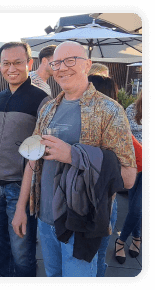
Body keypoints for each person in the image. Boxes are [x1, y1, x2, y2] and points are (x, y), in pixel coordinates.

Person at [12, 41, 137, 277]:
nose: (62, 68)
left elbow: (128, 178)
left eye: (71, 61)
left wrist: (73, 155)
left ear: (88, 65)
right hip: (46, 219)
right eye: (57, 63)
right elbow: (32, 159)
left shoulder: (109, 110)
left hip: (81, 222)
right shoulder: (48, 108)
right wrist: (20, 208)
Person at [0, 42, 52, 277]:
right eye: (6, 63)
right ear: (0, 66)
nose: (11, 68)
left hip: (19, 187)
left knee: (22, 249)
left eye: (17, 62)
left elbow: (42, 150)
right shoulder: (1, 98)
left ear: (29, 64)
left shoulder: (41, 99)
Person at [87, 74, 119, 277]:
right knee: (97, 254)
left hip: (101, 201)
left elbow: (137, 158)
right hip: (106, 199)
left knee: (95, 255)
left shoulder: (113, 121)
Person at [115, 91, 143, 264]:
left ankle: (121, 240)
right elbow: (123, 135)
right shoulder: (132, 108)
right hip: (134, 164)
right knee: (135, 206)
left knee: (137, 208)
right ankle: (137, 237)